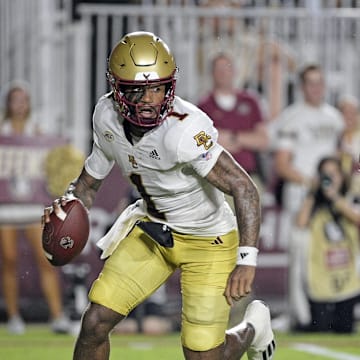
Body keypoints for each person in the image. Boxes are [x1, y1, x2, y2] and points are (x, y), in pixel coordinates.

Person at [43, 31, 275, 360]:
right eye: (138, 90)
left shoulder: (183, 131)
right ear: (117, 88)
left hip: (208, 241)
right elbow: (88, 183)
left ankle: (254, 327)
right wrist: (66, 207)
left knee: (203, 356)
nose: (150, 99)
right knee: (95, 321)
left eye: (157, 87)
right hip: (153, 231)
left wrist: (247, 261)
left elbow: (244, 187)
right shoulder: (106, 115)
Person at [270, 64, 344, 330]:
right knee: (299, 255)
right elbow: (282, 164)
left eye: (319, 82)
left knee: (327, 253)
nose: (316, 88)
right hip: (302, 193)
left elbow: (338, 156)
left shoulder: (334, 117)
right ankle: (298, 316)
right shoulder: (292, 118)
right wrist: (311, 182)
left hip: (330, 196)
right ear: (302, 87)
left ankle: (328, 311)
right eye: (311, 83)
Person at [0, 82, 70, 334]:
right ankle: (14, 317)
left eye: (23, 100)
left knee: (45, 259)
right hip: (6, 208)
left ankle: (58, 316)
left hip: (32, 206)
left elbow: (53, 165)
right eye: (15, 100)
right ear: (8, 103)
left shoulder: (38, 132)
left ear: (29, 104)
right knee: (8, 261)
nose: (19, 105)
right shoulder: (2, 131)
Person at [296, 156, 360, 333]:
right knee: (321, 327)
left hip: (347, 277)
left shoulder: (350, 198)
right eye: (326, 174)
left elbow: (357, 218)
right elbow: (300, 223)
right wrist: (313, 192)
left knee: (344, 329)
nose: (330, 178)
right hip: (320, 277)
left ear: (342, 176)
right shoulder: (314, 201)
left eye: (334, 174)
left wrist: (335, 197)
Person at [198, 53, 269, 195]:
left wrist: (231, 137)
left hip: (250, 175)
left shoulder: (251, 101)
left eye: (227, 68)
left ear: (235, 71)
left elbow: (263, 140)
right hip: (218, 178)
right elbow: (201, 145)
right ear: (212, 73)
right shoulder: (203, 106)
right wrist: (247, 139)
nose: (223, 73)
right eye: (219, 69)